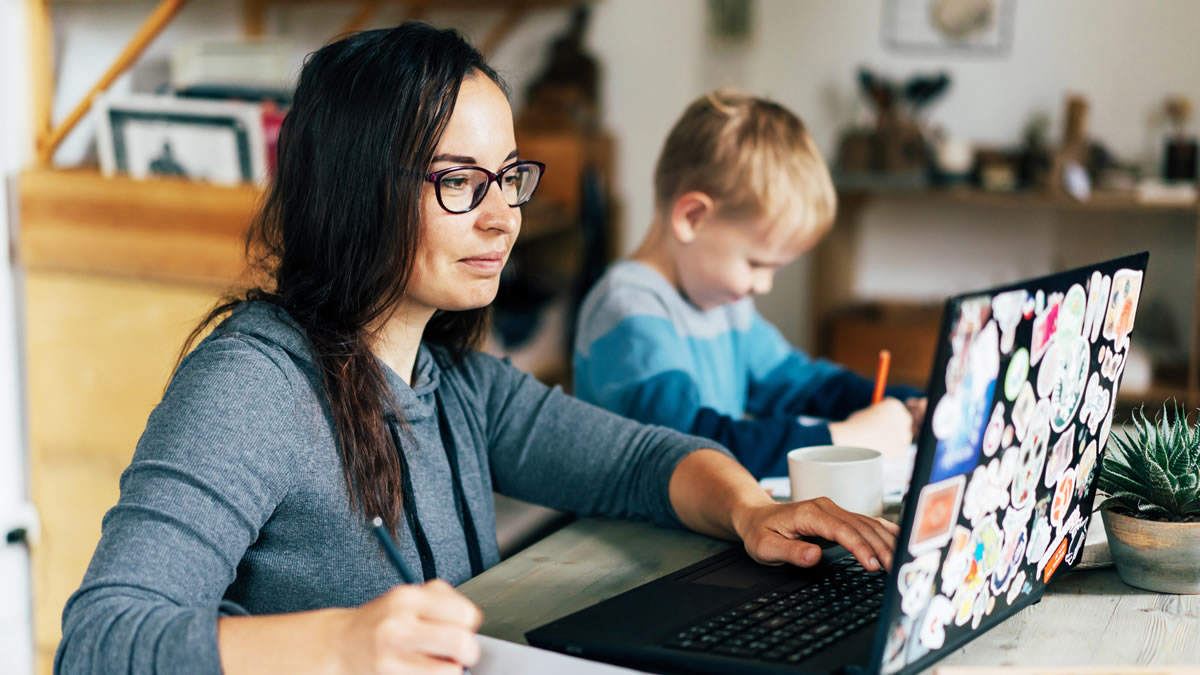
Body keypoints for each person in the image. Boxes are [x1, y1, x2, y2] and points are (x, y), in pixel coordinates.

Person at [56, 25, 898, 675]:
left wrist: (750, 509)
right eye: (459, 182)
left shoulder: (454, 381)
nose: (503, 217)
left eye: (507, 178)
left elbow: (639, 460)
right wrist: (343, 643)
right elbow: (99, 640)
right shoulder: (250, 384)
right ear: (359, 189)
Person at [573, 90, 926, 480]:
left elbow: (800, 385)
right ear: (692, 217)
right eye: (756, 263)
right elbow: (694, 446)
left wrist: (906, 403)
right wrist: (841, 439)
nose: (764, 285)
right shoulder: (629, 310)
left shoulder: (723, 303)